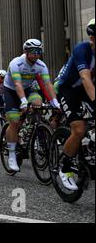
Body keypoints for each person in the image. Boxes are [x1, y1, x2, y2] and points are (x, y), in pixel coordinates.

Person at [3, 39, 61, 172]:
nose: (36, 54)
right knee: (15, 122)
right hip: (11, 90)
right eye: (34, 52)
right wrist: (23, 100)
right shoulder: (16, 63)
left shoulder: (41, 65)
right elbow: (17, 84)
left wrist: (55, 102)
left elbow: (48, 84)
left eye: (39, 52)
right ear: (26, 52)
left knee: (38, 104)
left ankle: (30, 128)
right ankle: (11, 153)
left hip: (28, 88)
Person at [56, 19, 95, 191]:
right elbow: (85, 78)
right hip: (68, 89)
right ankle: (65, 166)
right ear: (93, 38)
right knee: (79, 129)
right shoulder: (82, 49)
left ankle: (88, 152)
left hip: (87, 90)